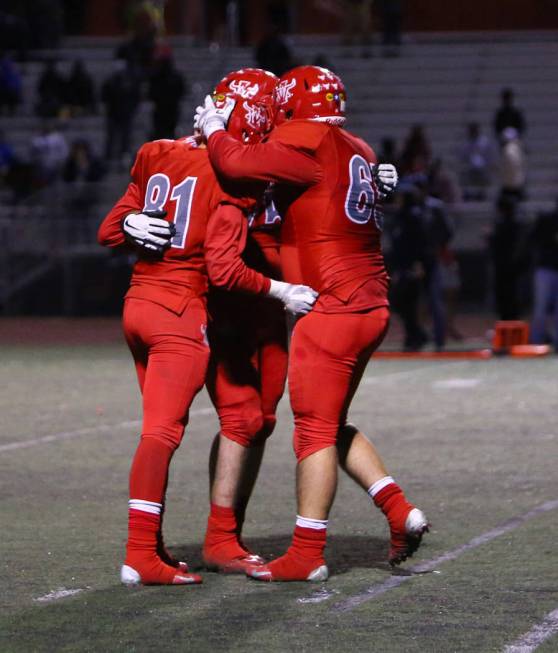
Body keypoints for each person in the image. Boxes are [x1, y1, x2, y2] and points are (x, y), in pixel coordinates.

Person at [196, 65, 429, 581]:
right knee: (332, 422)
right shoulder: (360, 148)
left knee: (313, 433)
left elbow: (235, 162)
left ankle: (306, 553)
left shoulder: (304, 140)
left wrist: (214, 127)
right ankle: (399, 510)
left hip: (330, 306)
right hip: (372, 304)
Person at [97, 74, 319, 586]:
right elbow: (223, 268)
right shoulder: (233, 174)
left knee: (227, 419)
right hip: (187, 307)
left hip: (139, 305)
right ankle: (142, 553)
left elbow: (109, 228)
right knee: (163, 432)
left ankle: (167, 545)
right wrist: (283, 291)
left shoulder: (157, 150)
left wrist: (130, 223)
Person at [200, 68, 291, 574]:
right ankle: (220, 537)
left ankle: (230, 528)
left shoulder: (282, 150)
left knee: (264, 420)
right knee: (243, 417)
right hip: (228, 294)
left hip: (271, 301)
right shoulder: (211, 150)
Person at [488, 195, 526, 320]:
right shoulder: (517, 225)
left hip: (507, 268)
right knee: (511, 298)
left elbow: (495, 245)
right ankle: (510, 324)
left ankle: (508, 325)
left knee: (506, 299)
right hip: (513, 268)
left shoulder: (505, 225)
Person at [529, 202, 558, 350]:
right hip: (546, 269)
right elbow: (533, 240)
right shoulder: (547, 219)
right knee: (540, 308)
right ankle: (536, 341)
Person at [101, 59, 141, 163]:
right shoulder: (110, 82)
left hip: (125, 114)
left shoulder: (129, 83)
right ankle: (109, 157)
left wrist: (131, 109)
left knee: (125, 138)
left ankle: (123, 156)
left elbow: (135, 97)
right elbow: (104, 97)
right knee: (112, 137)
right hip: (113, 114)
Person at [148, 55, 186, 140]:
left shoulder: (157, 77)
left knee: (162, 133)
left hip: (165, 109)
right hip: (168, 109)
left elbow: (150, 93)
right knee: (167, 133)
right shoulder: (159, 77)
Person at [459, 122, 495, 201]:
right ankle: (467, 193)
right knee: (464, 172)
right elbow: (462, 156)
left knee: (483, 172)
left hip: (482, 167)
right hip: (470, 167)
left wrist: (488, 165)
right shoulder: (466, 143)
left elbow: (489, 155)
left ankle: (481, 193)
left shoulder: (484, 142)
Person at [498, 127, 526, 203]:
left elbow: (511, 166)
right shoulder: (517, 149)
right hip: (516, 182)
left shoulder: (509, 149)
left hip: (510, 183)